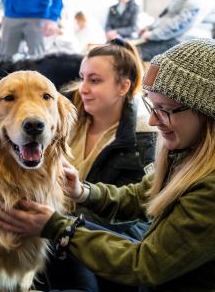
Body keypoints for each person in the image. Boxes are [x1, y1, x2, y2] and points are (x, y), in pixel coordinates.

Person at [0, 38, 215, 291]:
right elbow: (142, 195)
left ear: (209, 112)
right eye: (152, 106)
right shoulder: (195, 149)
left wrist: (58, 227)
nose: (152, 120)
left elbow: (145, 264)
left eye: (165, 110)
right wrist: (83, 192)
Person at [34, 39, 156, 291]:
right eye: (82, 78)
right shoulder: (64, 118)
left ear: (124, 86)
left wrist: (63, 221)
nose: (83, 88)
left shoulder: (143, 135)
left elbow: (135, 216)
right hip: (57, 229)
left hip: (101, 241)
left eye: (95, 80)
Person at [136, 0, 215, 61]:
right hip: (174, 40)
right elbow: (169, 16)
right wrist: (151, 28)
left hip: (184, 44)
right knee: (128, 50)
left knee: (130, 54)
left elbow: (183, 22)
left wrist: (152, 35)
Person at [0, 0, 64, 60]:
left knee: (38, 61)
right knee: (4, 60)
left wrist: (53, 17)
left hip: (39, 15)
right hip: (12, 14)